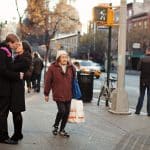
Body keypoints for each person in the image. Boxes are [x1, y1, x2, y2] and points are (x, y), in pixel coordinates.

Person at [44, 50, 75, 137]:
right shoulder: (52, 68)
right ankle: (56, 126)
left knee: (67, 112)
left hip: (68, 94)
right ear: (58, 58)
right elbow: (48, 81)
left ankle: (62, 129)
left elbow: (74, 80)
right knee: (62, 111)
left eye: (66, 57)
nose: (65, 59)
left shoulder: (71, 67)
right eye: (63, 57)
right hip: (58, 93)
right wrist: (46, 94)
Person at [0, 34, 24, 144]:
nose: (16, 46)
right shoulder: (3, 51)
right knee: (2, 113)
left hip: (5, 87)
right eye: (15, 44)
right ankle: (3, 136)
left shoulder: (6, 51)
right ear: (10, 42)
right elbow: (3, 70)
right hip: (3, 88)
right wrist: (17, 75)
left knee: (3, 113)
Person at [10, 41, 32, 143]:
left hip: (17, 87)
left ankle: (17, 135)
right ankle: (19, 134)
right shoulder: (18, 57)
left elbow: (12, 68)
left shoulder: (25, 58)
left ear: (24, 48)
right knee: (15, 111)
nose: (17, 46)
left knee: (16, 110)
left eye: (19, 45)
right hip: (15, 86)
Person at [135, 47, 150, 116]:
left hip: (143, 80)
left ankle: (138, 111)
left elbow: (138, 68)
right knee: (149, 96)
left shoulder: (142, 58)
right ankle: (149, 112)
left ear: (147, 51)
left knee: (141, 95)